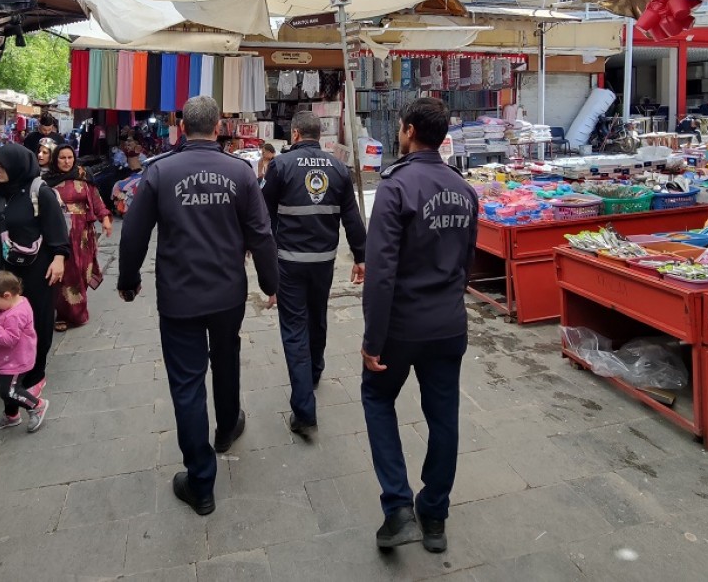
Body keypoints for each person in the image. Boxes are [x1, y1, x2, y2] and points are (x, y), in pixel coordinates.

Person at [118, 96, 278, 516]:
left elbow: (133, 232)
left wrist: (128, 280)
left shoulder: (160, 171)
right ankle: (226, 426)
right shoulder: (239, 172)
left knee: (187, 383)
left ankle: (201, 482)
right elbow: (260, 233)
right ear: (218, 126)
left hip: (180, 297)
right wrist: (270, 282)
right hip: (227, 294)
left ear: (181, 128)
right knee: (226, 359)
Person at [358, 97, 478, 554]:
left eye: (400, 128)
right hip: (448, 323)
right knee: (444, 416)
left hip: (402, 326)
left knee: (376, 398)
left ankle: (398, 507)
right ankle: (434, 513)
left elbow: (380, 272)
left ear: (408, 130)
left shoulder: (396, 186)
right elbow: (467, 263)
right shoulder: (463, 190)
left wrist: (373, 339)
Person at [262, 111, 367, 434]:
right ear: (318, 135)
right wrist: (361, 257)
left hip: (289, 262)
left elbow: (263, 215)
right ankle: (315, 369)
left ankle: (304, 409)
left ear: (295, 134)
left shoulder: (280, 166)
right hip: (323, 261)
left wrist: (262, 259)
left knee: (294, 327)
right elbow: (352, 217)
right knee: (317, 315)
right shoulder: (338, 168)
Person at [0, 143, 70, 396]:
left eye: (2, 166)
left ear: (17, 166)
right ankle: (8, 365)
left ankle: (35, 371)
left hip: (34, 272)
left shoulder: (40, 192)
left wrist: (59, 258)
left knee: (34, 318)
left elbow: (57, 228)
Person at [45, 143, 113, 330]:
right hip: (60, 232)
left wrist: (105, 219)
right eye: (62, 158)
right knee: (65, 273)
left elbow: (96, 200)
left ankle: (78, 311)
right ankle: (63, 314)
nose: (67, 162)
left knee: (82, 271)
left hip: (83, 234)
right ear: (55, 160)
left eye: (70, 158)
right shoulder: (47, 181)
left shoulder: (83, 175)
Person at [0, 271, 50, 433]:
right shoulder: (15, 303)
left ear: (6, 295)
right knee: (9, 389)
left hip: (15, 360)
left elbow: (10, 339)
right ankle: (11, 415)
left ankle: (36, 406)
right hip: (9, 359)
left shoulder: (15, 314)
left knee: (8, 391)